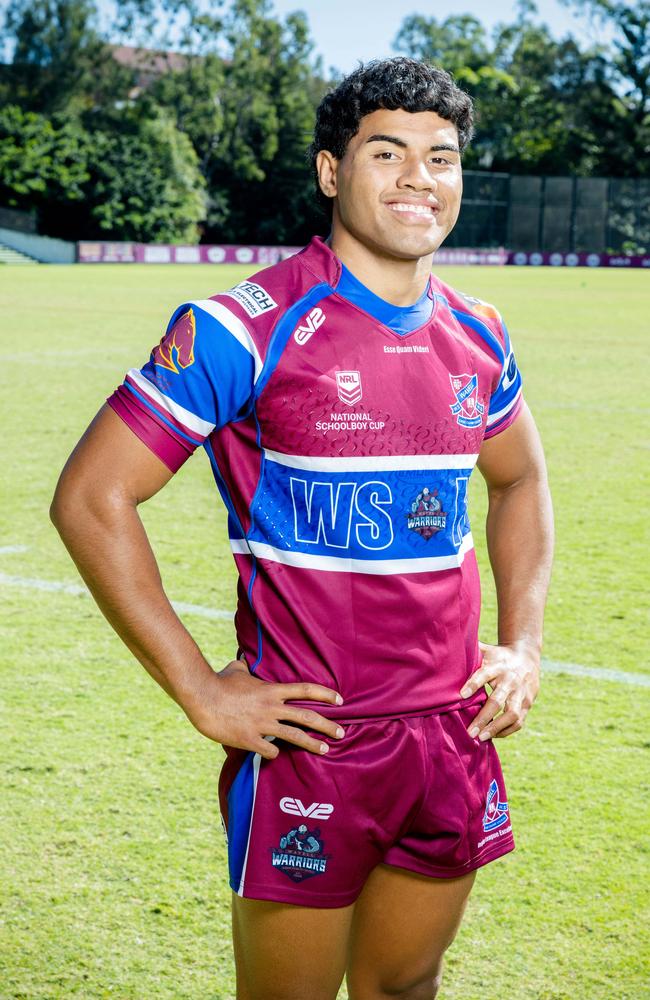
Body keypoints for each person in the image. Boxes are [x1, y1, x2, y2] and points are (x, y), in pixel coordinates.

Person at [51, 57, 554, 1000]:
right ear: (332, 171)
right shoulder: (247, 326)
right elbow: (91, 498)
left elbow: (521, 478)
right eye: (388, 152)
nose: (418, 178)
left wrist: (523, 646)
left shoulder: (479, 333)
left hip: (450, 733)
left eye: (441, 158)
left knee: (404, 986)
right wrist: (202, 691)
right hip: (313, 743)